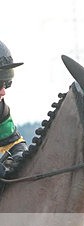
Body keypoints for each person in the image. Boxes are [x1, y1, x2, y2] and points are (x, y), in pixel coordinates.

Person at [0, 40, 27, 176]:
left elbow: (13, 142)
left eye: (6, 84)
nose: (3, 92)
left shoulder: (1, 110)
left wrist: (20, 155)